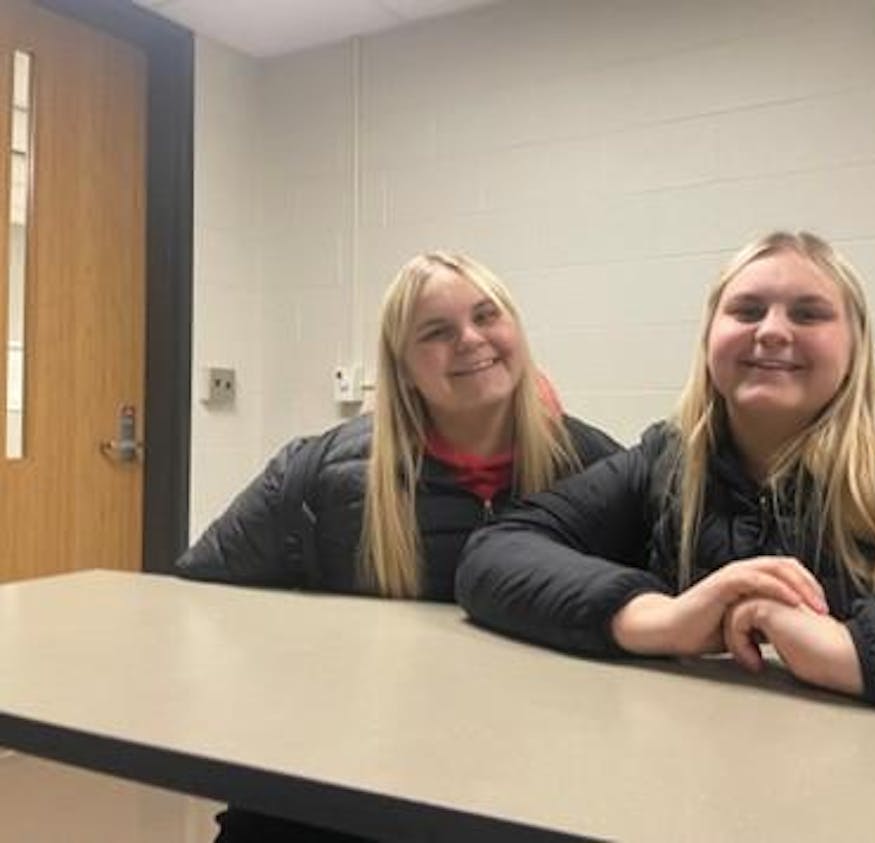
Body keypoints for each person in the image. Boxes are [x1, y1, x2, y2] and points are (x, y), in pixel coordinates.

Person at [456, 230, 875, 714]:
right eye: (747, 310)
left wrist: (856, 649)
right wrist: (655, 618)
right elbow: (497, 551)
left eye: (808, 313)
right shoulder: (664, 461)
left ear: (856, 343)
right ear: (709, 336)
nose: (772, 331)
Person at [177, 252, 621, 841]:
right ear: (404, 369)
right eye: (436, 332)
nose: (470, 340)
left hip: (524, 784)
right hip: (339, 791)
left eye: (487, 316)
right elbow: (196, 604)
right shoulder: (315, 474)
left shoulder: (599, 470)